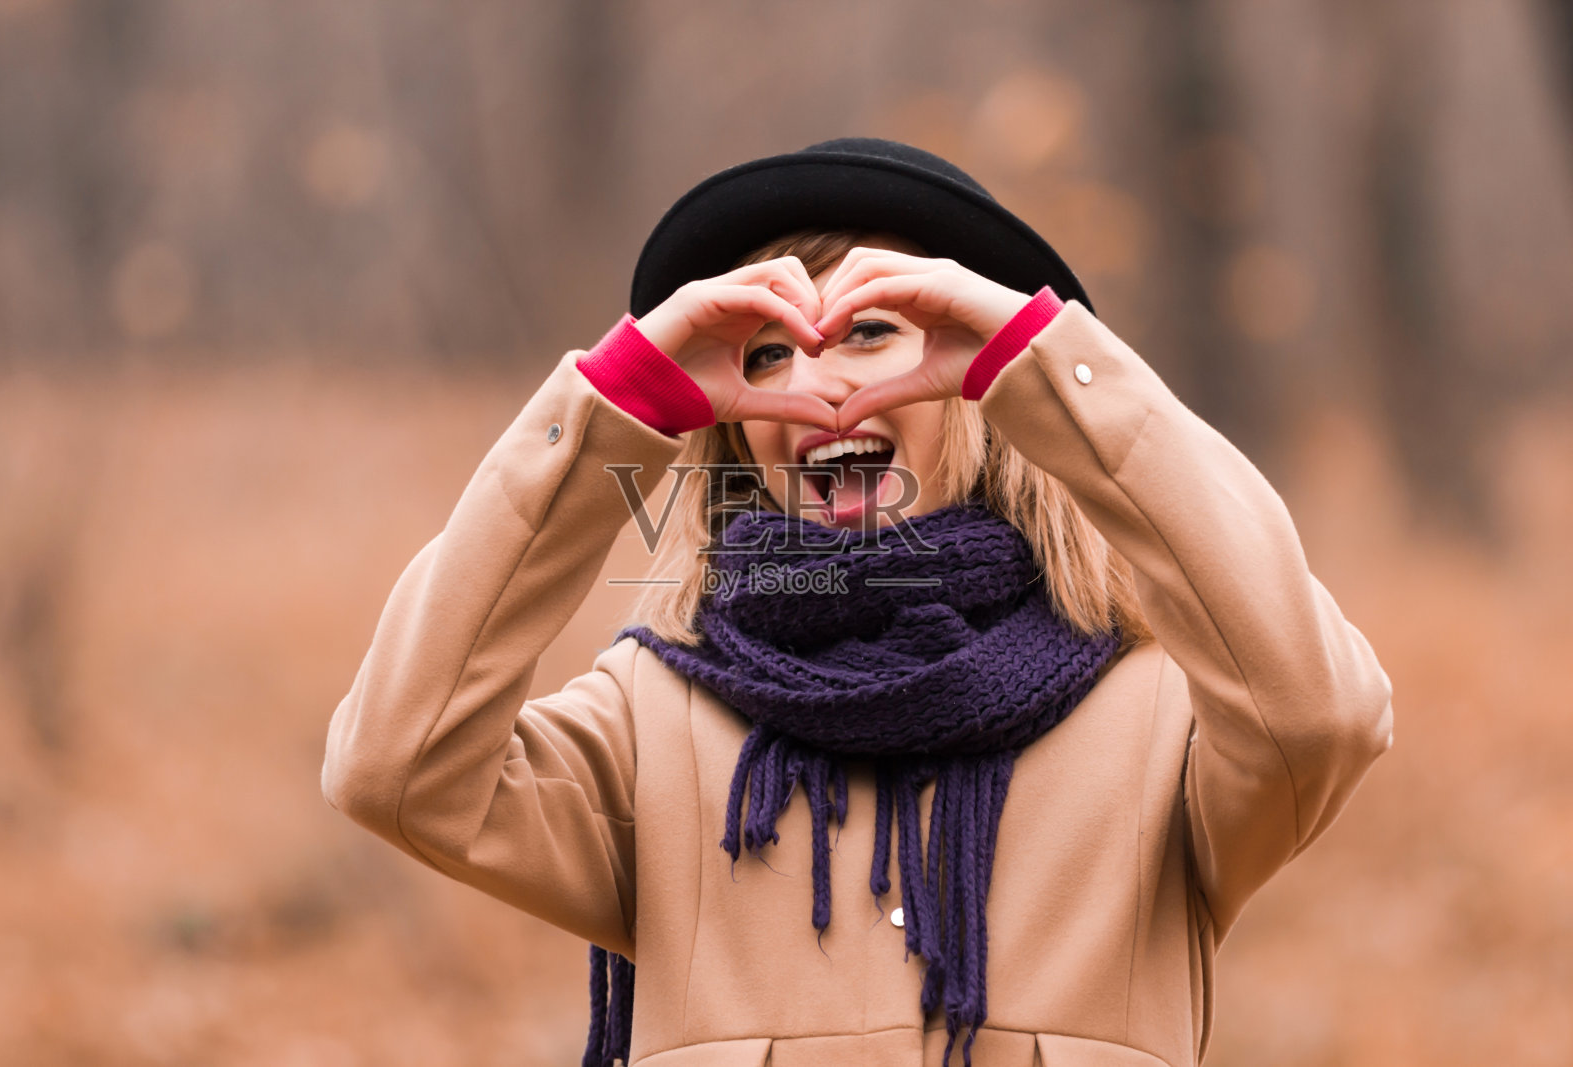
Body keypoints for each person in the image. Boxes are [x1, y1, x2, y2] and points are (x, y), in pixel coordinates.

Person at [321, 138, 1394, 1067]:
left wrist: (1052, 374)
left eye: (875, 333)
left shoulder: (1162, 716)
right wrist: (612, 410)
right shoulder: (650, 721)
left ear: (984, 392)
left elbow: (1319, 715)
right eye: (769, 354)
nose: (819, 387)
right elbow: (399, 766)